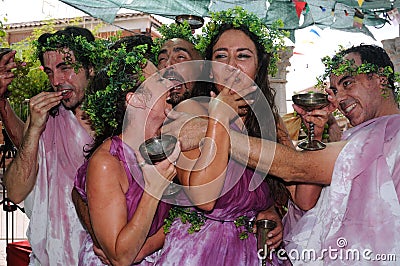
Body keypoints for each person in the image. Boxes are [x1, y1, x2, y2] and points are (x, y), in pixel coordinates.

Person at [165, 43, 400, 264]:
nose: (338, 99)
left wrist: (215, 128)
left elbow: (297, 168)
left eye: (348, 83)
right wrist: (314, 137)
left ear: (381, 78)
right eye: (335, 90)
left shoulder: (389, 132)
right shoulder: (359, 135)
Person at [155, 7, 310, 265]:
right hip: (202, 248)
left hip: (256, 249)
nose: (230, 66)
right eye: (221, 56)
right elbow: (204, 199)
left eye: (243, 56)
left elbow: (303, 197)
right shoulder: (190, 111)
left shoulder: (269, 121)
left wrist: (272, 210)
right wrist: (219, 116)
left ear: (259, 64)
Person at [2, 26, 104, 265]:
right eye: (49, 72)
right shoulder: (47, 118)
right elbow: (15, 192)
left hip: (99, 255)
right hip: (49, 255)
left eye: (65, 68)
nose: (56, 81)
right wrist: (34, 129)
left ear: (91, 68)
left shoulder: (115, 120)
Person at [73, 43, 179, 265]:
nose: (170, 83)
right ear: (136, 99)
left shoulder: (164, 144)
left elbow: (183, 217)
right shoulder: (107, 162)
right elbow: (120, 257)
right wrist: (154, 189)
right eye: (158, 80)